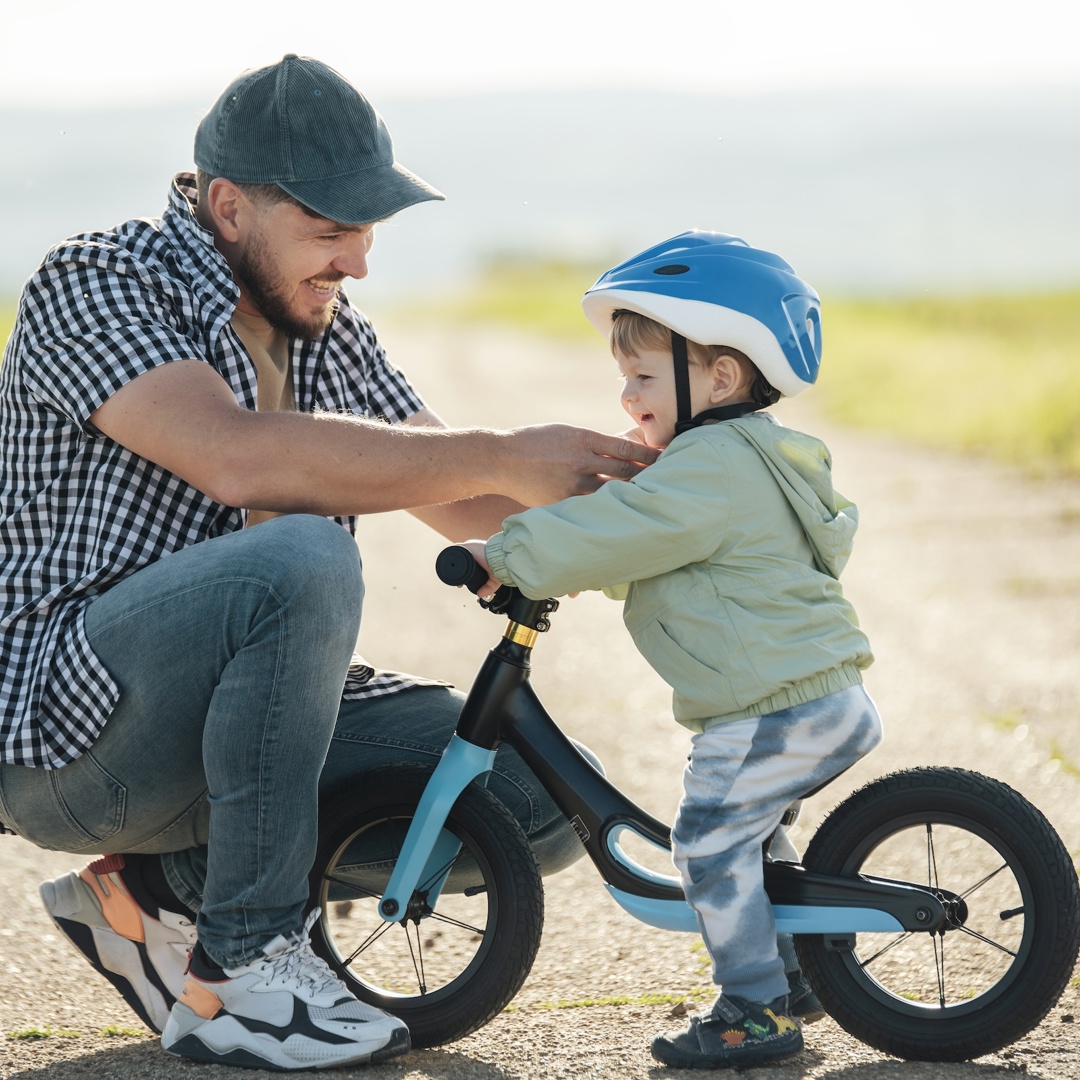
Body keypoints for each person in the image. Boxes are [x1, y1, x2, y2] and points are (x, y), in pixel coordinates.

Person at [0, 55, 657, 1072]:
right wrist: (501, 447)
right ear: (228, 206)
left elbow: (458, 491)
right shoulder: (96, 282)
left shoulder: (319, 322)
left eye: (366, 233)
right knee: (300, 554)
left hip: (231, 736)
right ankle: (249, 976)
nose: (356, 262)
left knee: (536, 795)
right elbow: (235, 457)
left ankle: (157, 898)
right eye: (329, 229)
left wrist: (664, 510)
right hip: (71, 739)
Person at [460, 232, 882, 1069]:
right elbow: (659, 548)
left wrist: (503, 555)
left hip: (778, 708)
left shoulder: (709, 465)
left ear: (719, 377)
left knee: (707, 838)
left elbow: (630, 527)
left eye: (644, 377)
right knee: (748, 831)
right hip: (812, 698)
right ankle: (792, 974)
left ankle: (754, 1009)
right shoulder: (735, 457)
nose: (627, 396)